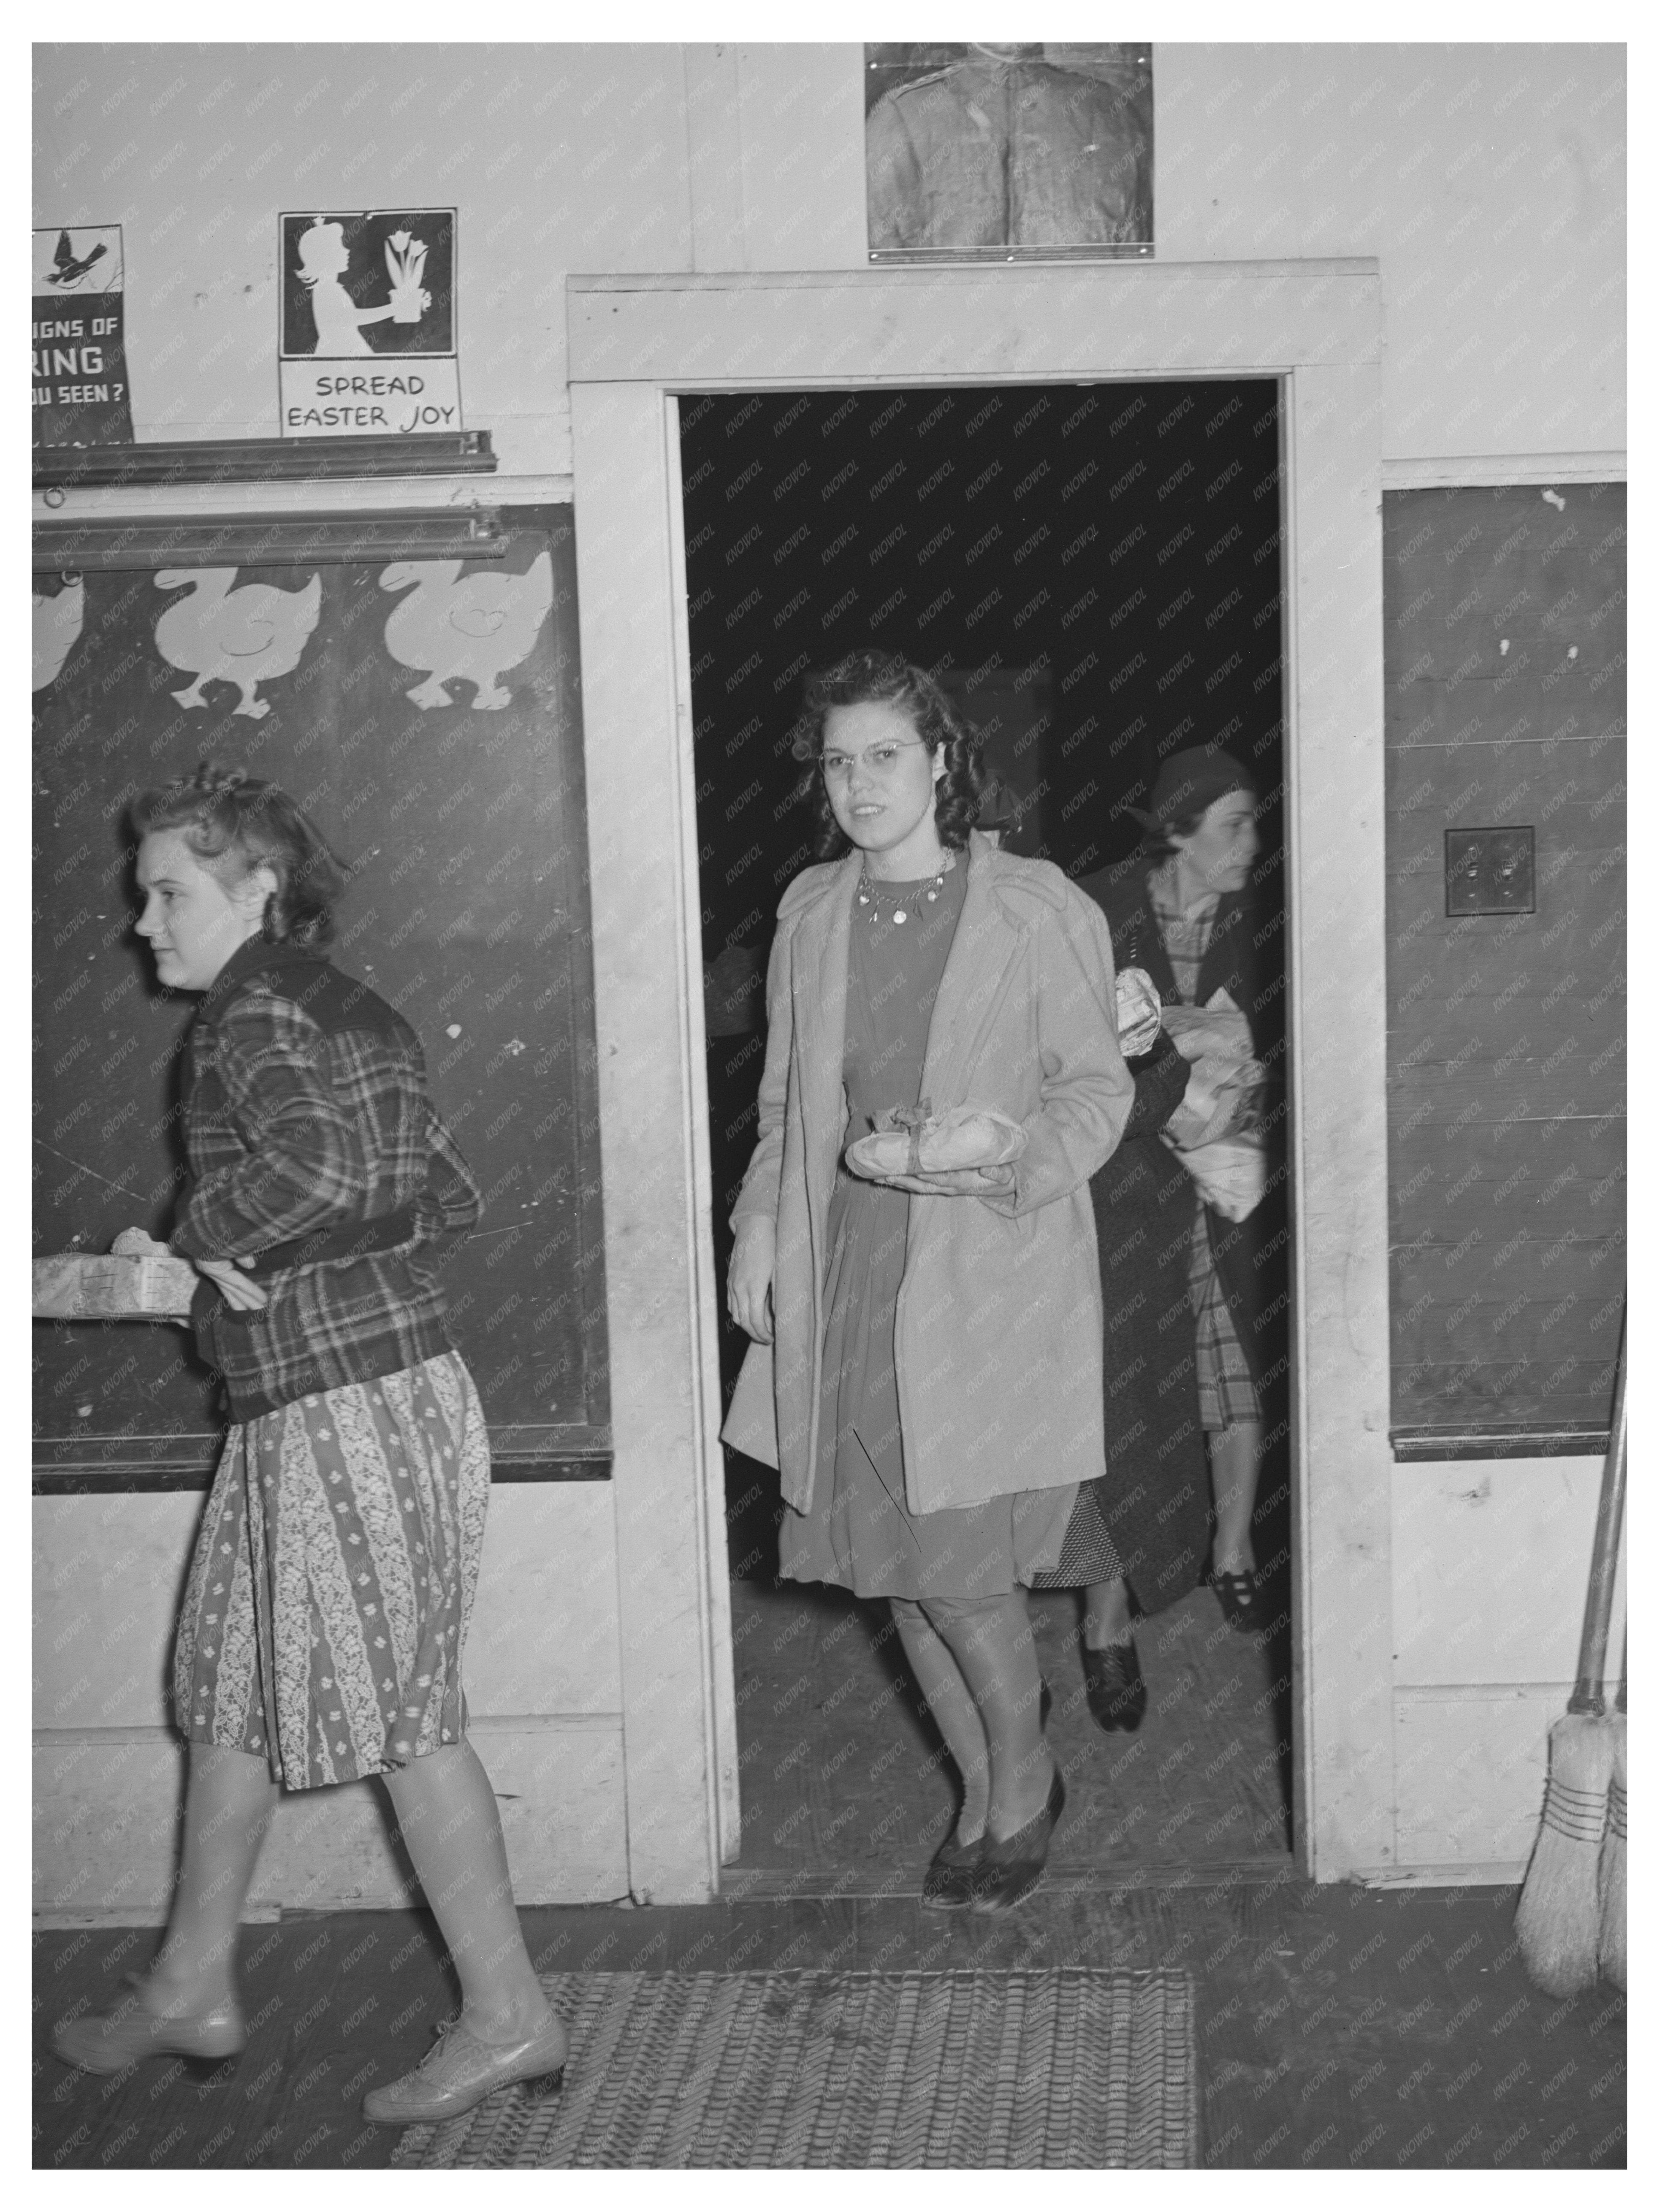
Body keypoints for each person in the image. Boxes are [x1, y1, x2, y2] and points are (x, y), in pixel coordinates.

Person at [51, 765, 566, 2127]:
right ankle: (191, 1981)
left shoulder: (251, 1006)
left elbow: (330, 1174)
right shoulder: (344, 1006)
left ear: (258, 888)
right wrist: (235, 1245)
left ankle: (511, 2014)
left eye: (169, 890)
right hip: (336, 1393)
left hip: (348, 1401)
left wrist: (214, 1230)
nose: (142, 919)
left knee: (401, 1717)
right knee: (227, 1684)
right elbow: (423, 1182)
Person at [724, 651, 1133, 1912]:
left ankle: (1023, 1784)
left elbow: (1094, 1088)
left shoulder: (1032, 905)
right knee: (887, 1565)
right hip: (850, 1268)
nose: (858, 782)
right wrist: (754, 1233)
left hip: (981, 1274)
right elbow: (790, 1100)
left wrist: (1010, 1159)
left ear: (944, 762)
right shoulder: (809, 912)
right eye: (839, 760)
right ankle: (984, 1782)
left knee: (962, 1570)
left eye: (885, 755)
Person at [1072, 747, 1275, 1654]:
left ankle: (1230, 1551)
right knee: (1113, 1405)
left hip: (1224, 1186)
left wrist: (1244, 1085)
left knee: (1232, 1370)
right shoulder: (1100, 907)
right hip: (1119, 1191)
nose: (1252, 841)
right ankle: (1104, 1618)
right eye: (1233, 823)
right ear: (1180, 826)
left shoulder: (1261, 920)